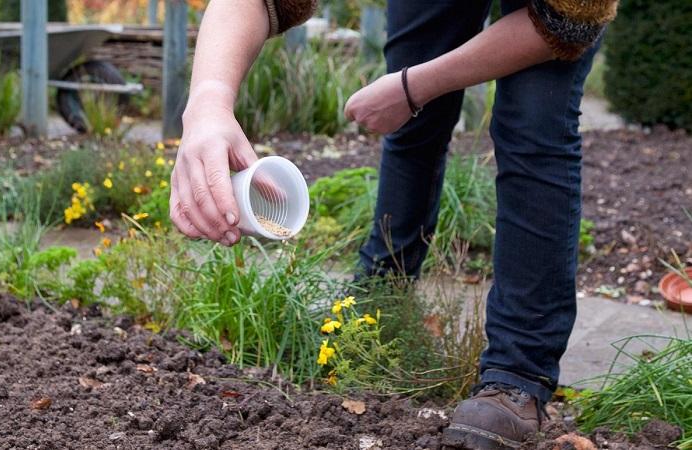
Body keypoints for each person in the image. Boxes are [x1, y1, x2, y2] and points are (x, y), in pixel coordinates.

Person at [169, 0, 618, 448]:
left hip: (557, 12)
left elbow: (567, 24)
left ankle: (517, 375)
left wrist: (412, 86)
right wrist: (207, 105)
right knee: (412, 126)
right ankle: (376, 307)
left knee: (535, 121)